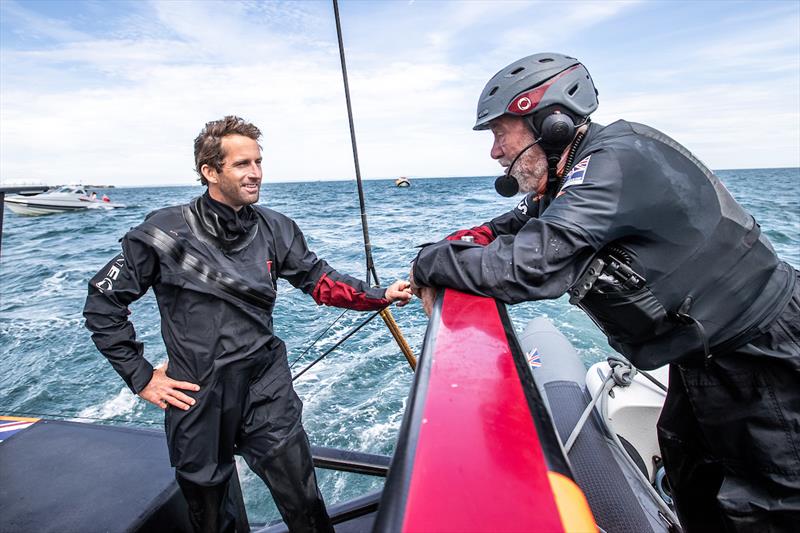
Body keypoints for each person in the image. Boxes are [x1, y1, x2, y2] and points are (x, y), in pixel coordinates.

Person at [410, 53, 799, 531]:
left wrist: (428, 261)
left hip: (762, 356)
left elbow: (529, 267)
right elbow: (518, 223)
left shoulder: (612, 161)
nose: (494, 152)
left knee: (771, 505)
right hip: (706, 358)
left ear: (548, 122)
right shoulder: (577, 169)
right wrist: (467, 241)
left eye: (499, 133)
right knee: (692, 479)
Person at [84, 115, 412, 533]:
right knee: (209, 509)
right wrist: (141, 376)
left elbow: (319, 280)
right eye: (242, 164)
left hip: (265, 384)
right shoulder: (161, 232)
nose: (255, 172)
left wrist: (378, 295)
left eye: (258, 162)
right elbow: (103, 302)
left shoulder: (276, 226)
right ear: (209, 171)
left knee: (303, 498)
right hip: (195, 394)